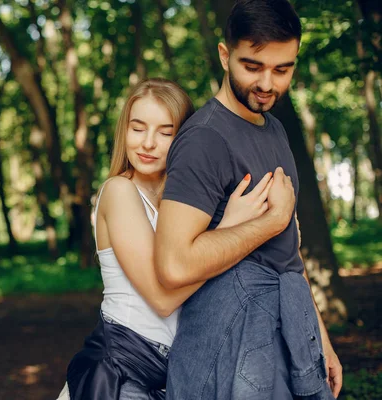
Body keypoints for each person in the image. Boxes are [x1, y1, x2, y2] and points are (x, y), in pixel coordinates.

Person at [154, 1, 342, 399]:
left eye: (282, 69)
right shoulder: (204, 138)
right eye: (253, 66)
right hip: (233, 342)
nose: (268, 84)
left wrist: (319, 337)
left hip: (288, 327)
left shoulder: (273, 128)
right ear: (225, 56)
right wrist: (269, 223)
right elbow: (173, 264)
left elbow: (287, 251)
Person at [58, 78, 274, 400]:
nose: (147, 143)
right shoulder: (119, 191)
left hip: (173, 374)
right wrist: (230, 228)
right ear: (124, 132)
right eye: (138, 128)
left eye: (165, 132)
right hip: (120, 369)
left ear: (183, 139)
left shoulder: (183, 204)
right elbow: (163, 298)